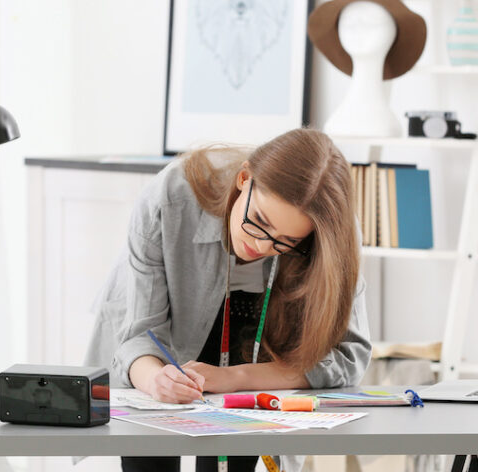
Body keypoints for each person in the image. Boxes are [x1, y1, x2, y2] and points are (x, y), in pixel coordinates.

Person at [85, 128, 371, 472]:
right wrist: (154, 379)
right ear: (244, 178)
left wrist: (235, 378)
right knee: (150, 447)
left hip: (260, 346)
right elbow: (139, 335)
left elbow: (348, 358)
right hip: (165, 327)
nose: (263, 246)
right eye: (259, 222)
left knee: (237, 453)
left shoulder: (332, 234)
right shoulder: (172, 196)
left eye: (287, 242)